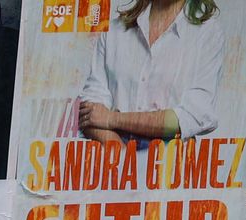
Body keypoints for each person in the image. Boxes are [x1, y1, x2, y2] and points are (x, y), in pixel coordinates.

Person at [77, 0, 225, 144]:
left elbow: (192, 116)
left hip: (171, 162)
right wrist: (122, 156)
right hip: (115, 157)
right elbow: (90, 112)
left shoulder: (208, 34)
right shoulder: (114, 31)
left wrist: (112, 119)